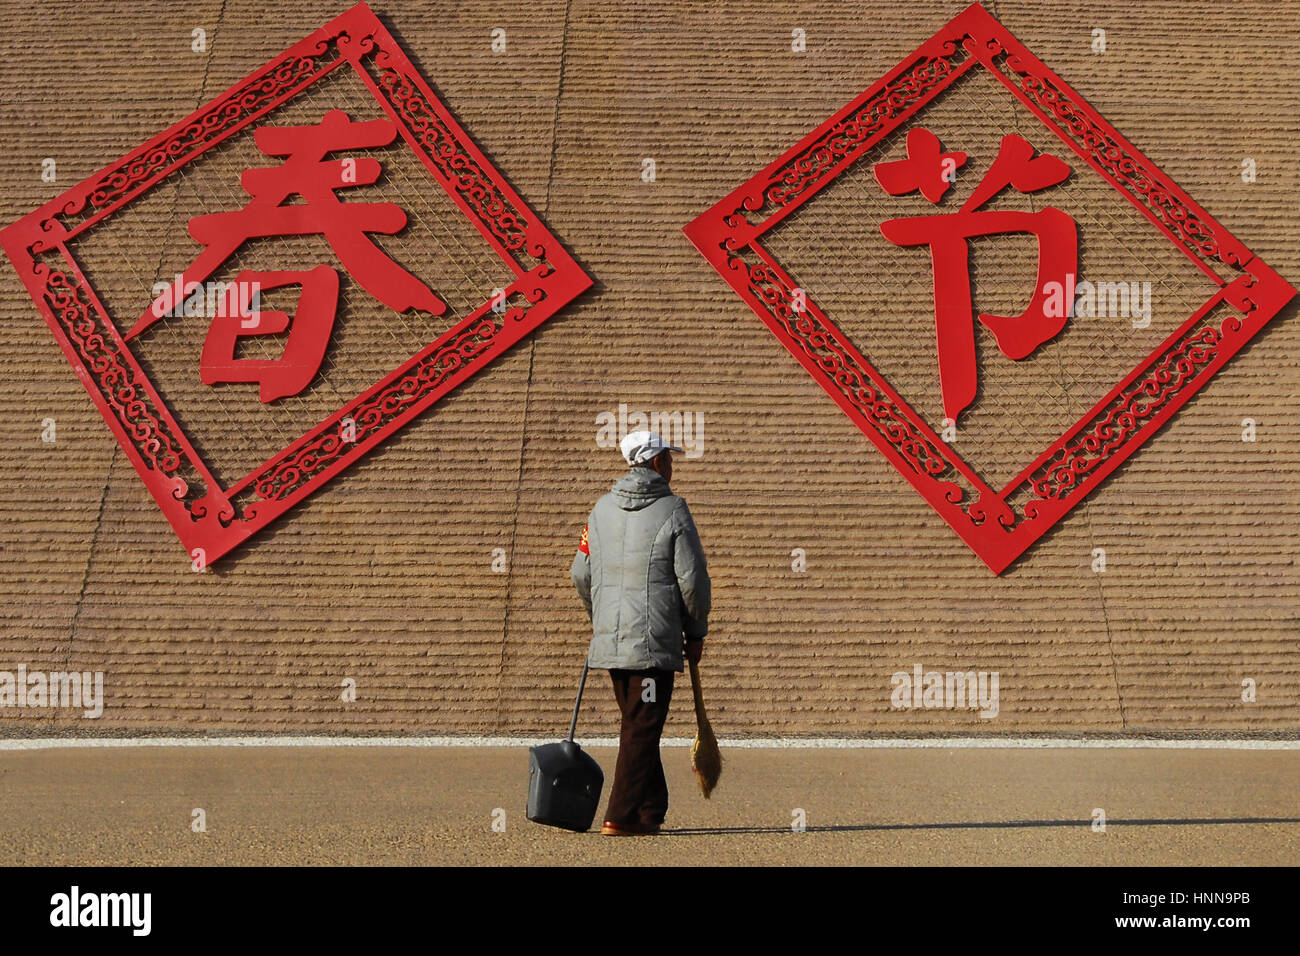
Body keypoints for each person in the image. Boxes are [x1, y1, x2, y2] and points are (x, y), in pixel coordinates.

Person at [570, 429, 711, 836]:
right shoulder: (673, 508)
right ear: (654, 462)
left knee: (638, 724)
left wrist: (604, 617)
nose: (672, 464)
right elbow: (693, 579)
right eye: (668, 457)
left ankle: (651, 811)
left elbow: (581, 572)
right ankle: (620, 815)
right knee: (642, 726)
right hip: (653, 643)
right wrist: (697, 630)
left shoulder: (598, 511)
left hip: (612, 643)